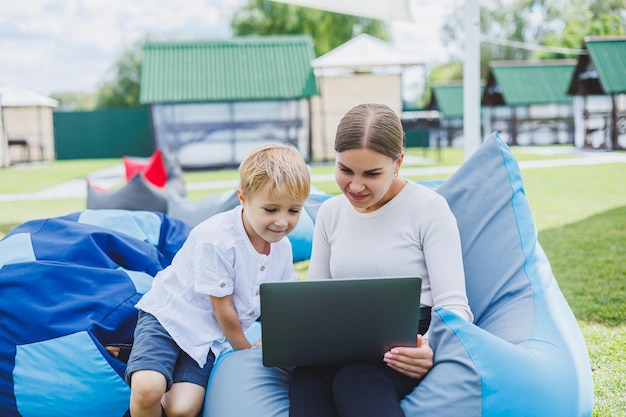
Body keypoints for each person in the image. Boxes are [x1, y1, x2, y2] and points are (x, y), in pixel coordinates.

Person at [288, 103, 474, 417]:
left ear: (398, 162)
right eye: (345, 170)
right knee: (307, 381)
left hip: (406, 340)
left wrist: (429, 346)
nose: (355, 186)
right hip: (341, 337)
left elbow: (455, 305)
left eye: (372, 174)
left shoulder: (429, 209)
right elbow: (315, 299)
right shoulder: (330, 213)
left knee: (357, 380)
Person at [124, 143, 311, 417]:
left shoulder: (282, 248)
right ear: (243, 198)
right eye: (271, 210)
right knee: (148, 388)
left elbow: (285, 299)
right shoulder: (219, 239)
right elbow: (222, 309)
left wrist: (282, 339)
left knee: (183, 408)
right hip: (169, 319)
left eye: (293, 211)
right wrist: (245, 351)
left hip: (207, 336)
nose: (282, 222)